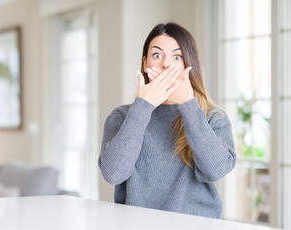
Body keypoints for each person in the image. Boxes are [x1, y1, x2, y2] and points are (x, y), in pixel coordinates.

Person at [98, 22, 237, 219]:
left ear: (189, 65)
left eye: (177, 56)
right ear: (146, 63)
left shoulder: (214, 117)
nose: (166, 64)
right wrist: (143, 106)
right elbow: (113, 174)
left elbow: (216, 170)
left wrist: (188, 105)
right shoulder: (121, 117)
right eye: (157, 55)